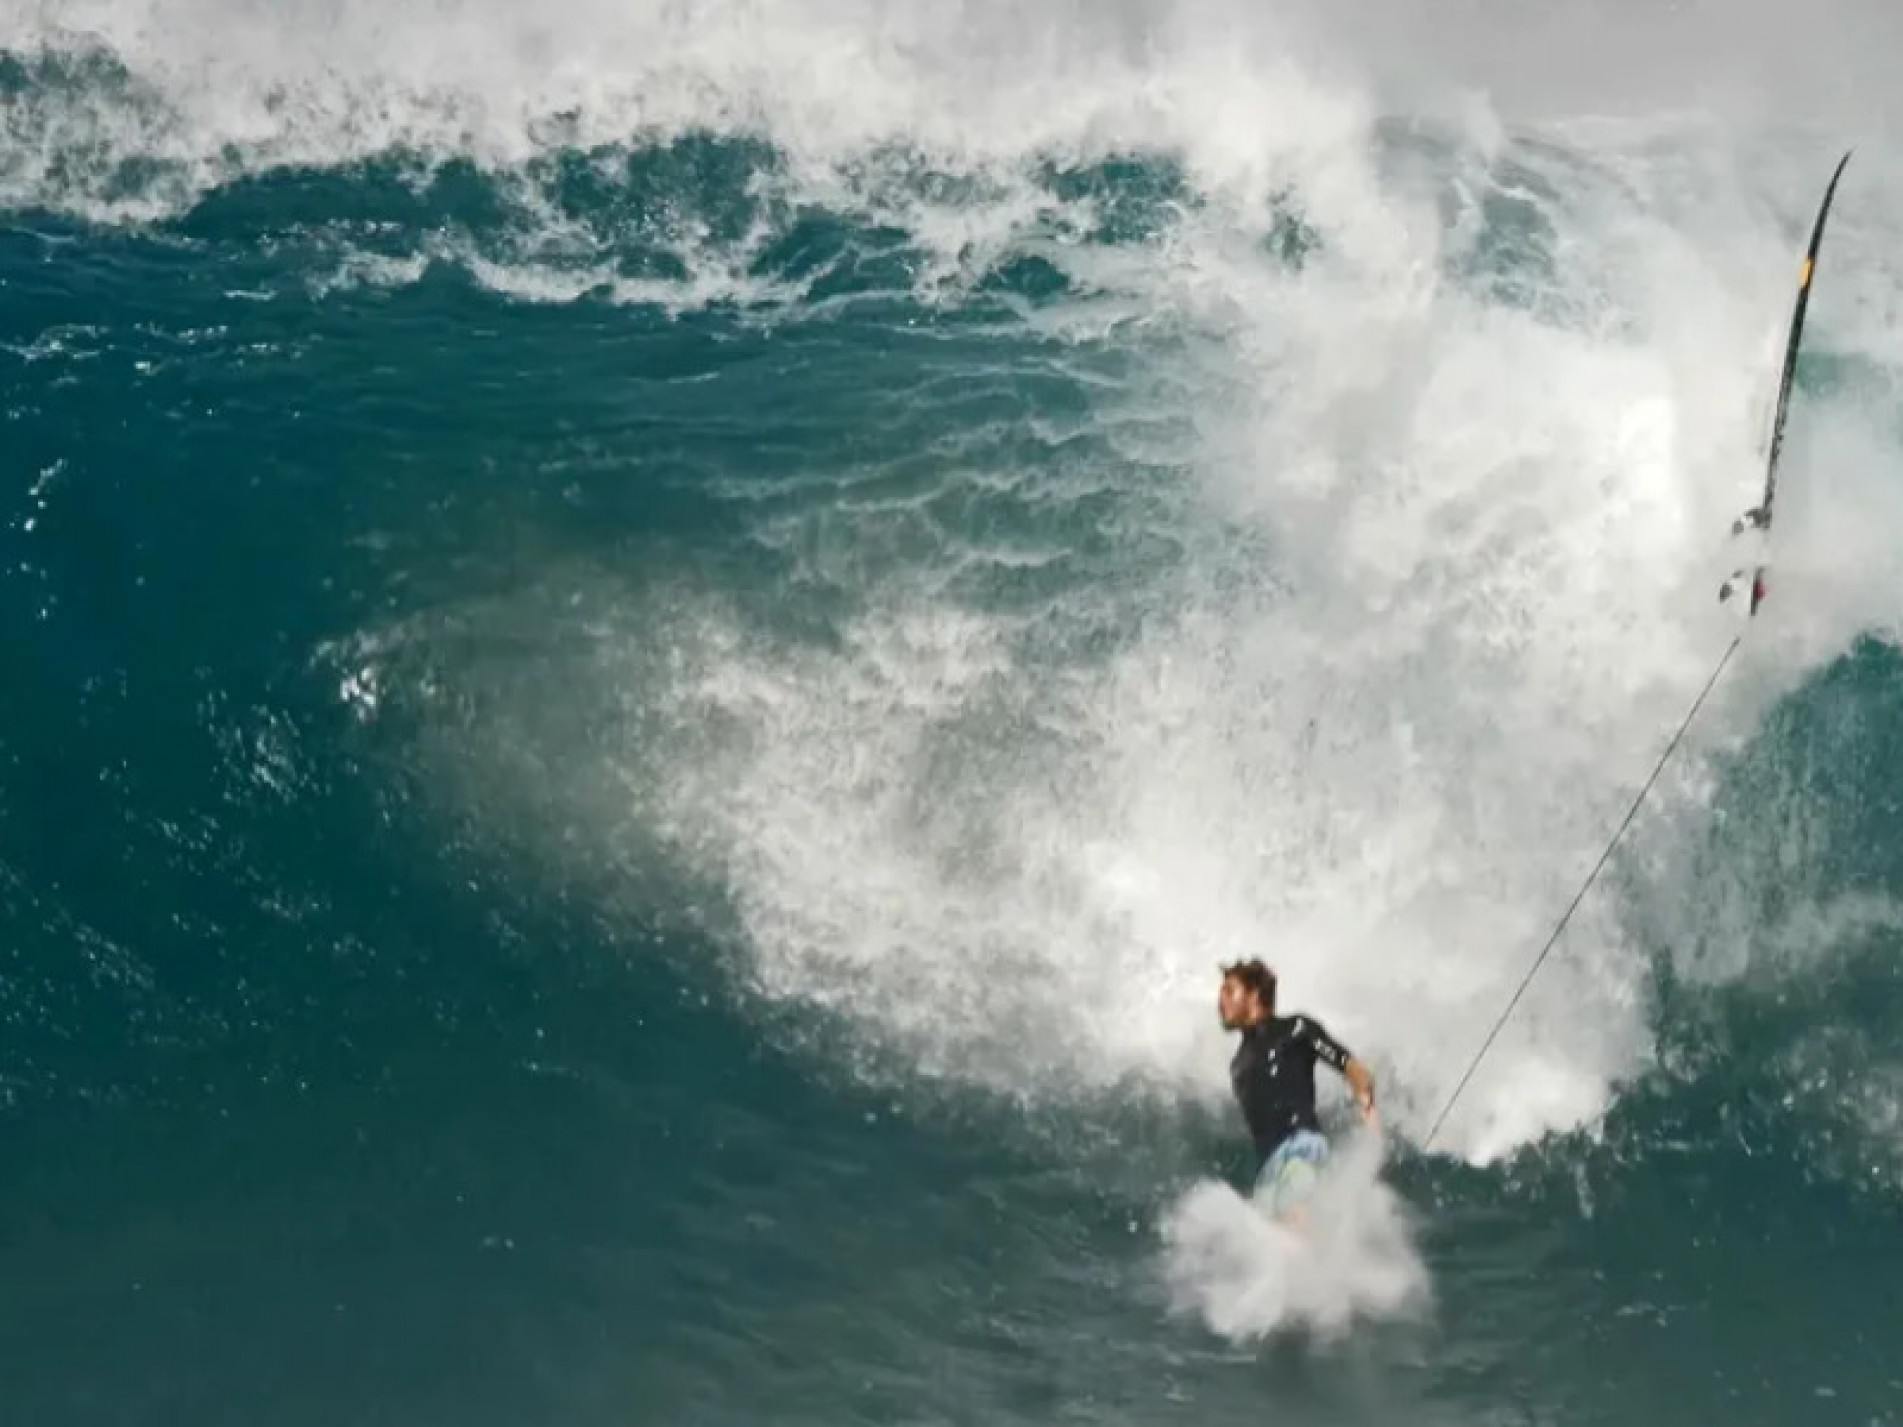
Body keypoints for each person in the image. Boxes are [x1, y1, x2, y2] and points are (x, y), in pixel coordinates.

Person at [1218, 958, 1376, 1227]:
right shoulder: (1238, 1064)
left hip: (1301, 1149)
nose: (1221, 1001)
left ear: (1255, 994)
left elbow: (1351, 1066)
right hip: (1268, 1172)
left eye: (1230, 991)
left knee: (1296, 1225)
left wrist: (1366, 1104)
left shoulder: (1296, 1029)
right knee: (1265, 1248)